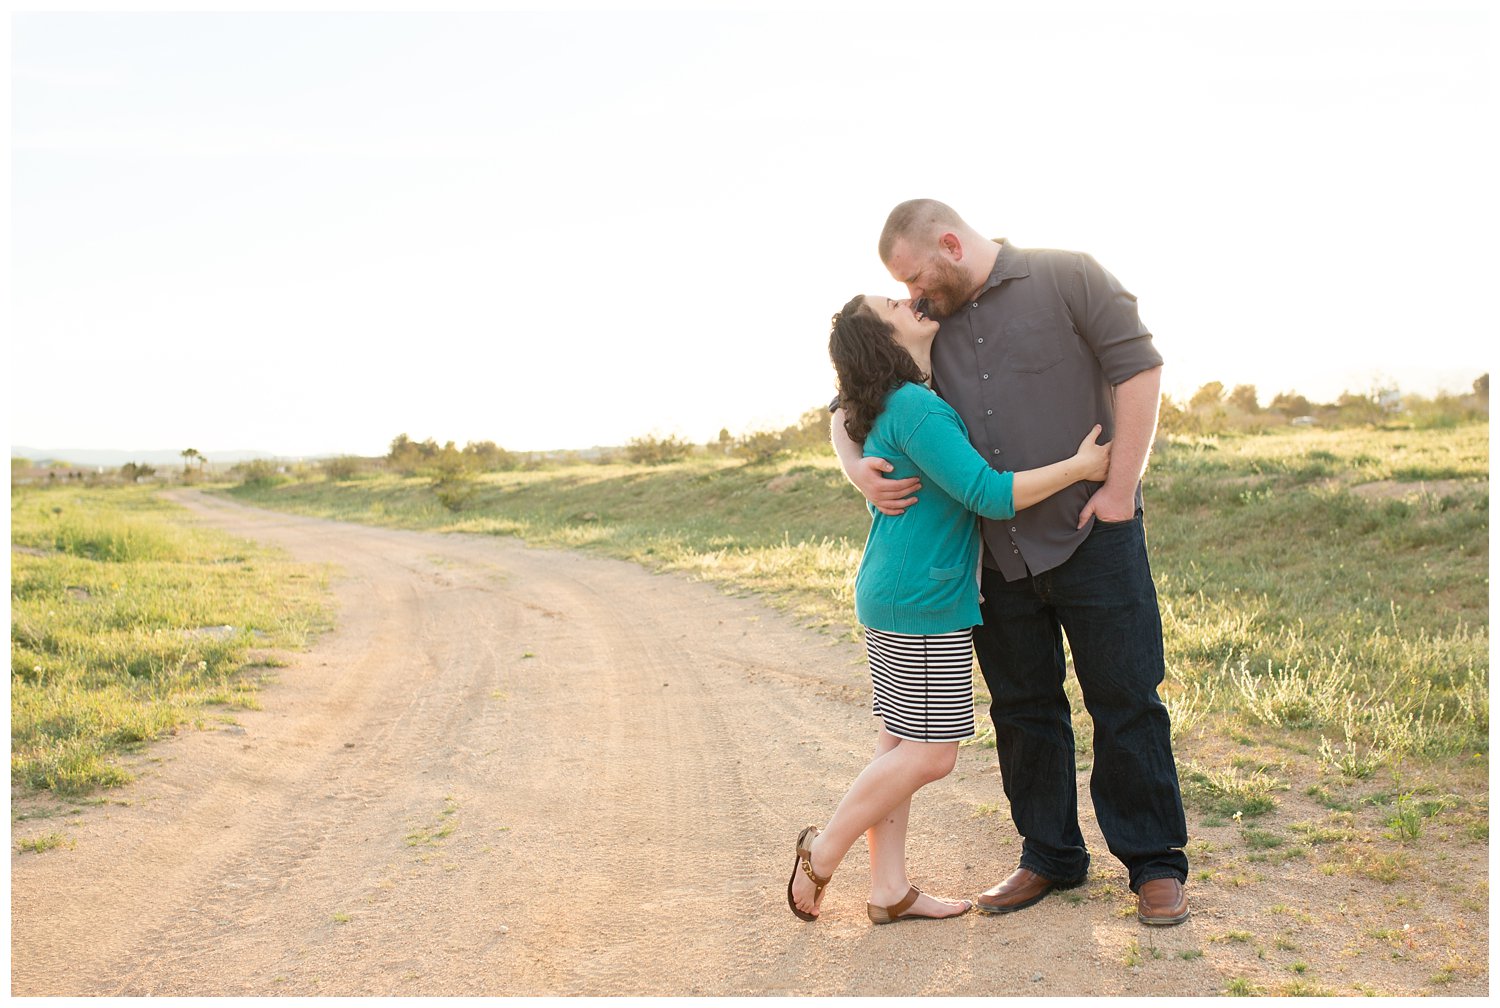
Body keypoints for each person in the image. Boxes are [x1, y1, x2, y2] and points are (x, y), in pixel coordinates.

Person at [830, 199, 1190, 927]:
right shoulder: (929, 326)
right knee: (1024, 710)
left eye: (915, 278)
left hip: (1093, 531)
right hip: (994, 557)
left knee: (1126, 700)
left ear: (953, 245)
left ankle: (1154, 866)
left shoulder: (1070, 276)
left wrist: (1119, 489)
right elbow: (846, 402)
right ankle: (1049, 856)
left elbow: (1140, 368)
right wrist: (855, 469)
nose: (914, 296)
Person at [788, 293, 1111, 925]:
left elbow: (840, 412)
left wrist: (854, 466)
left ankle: (888, 890)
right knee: (932, 754)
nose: (908, 299)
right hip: (918, 600)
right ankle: (821, 852)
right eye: (892, 303)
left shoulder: (898, 400)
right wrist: (1080, 466)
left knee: (898, 744)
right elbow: (988, 495)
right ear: (882, 338)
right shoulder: (914, 407)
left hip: (897, 592)